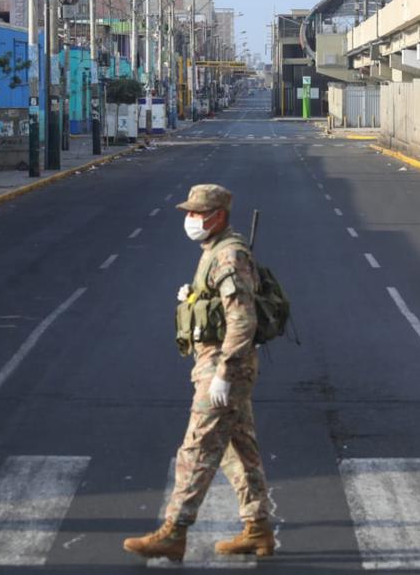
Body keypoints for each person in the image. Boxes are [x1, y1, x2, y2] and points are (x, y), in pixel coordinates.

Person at [123, 184, 274, 562]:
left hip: (223, 365)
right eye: (188, 213)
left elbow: (242, 318)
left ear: (218, 216)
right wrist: (192, 297)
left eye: (197, 213)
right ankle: (258, 529)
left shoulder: (229, 255)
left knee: (197, 449)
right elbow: (219, 306)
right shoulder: (215, 251)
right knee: (239, 449)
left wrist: (225, 372)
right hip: (219, 361)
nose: (190, 220)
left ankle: (173, 533)